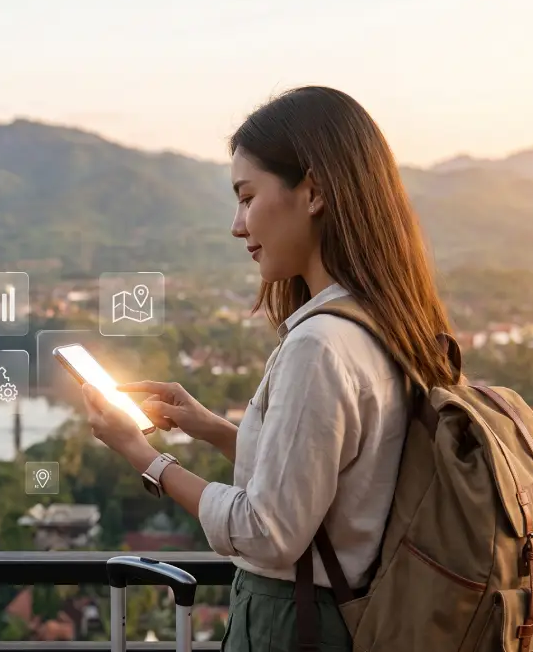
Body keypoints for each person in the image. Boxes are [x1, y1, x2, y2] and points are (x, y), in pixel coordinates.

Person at [81, 85, 460, 652]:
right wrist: (208, 426)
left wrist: (143, 457)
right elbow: (318, 483)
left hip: (296, 621)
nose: (238, 225)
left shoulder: (321, 344)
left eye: (247, 196)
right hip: (350, 608)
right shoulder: (383, 323)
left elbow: (268, 530)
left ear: (312, 192)